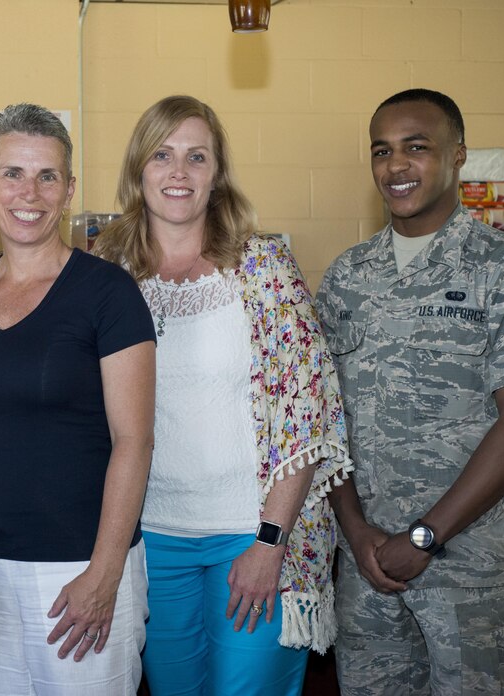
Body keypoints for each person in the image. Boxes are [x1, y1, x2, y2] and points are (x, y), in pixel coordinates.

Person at [93, 94, 352, 696]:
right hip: (149, 538)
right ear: (139, 170)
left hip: (252, 532)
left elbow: (307, 408)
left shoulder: (264, 267)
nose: (178, 172)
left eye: (196, 156)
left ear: (217, 175)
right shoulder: (107, 276)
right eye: (162, 155)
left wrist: (270, 541)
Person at [315, 88, 504, 695]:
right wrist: (357, 532)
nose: (396, 165)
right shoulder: (348, 276)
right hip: (368, 572)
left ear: (458, 157)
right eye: (382, 150)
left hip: (470, 573)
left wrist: (425, 536)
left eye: (416, 147)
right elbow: (325, 417)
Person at [0, 104, 156, 695]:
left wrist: (105, 573)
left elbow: (134, 440)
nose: (28, 192)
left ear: (69, 189)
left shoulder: (109, 292)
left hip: (82, 566)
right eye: (12, 173)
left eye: (47, 176)